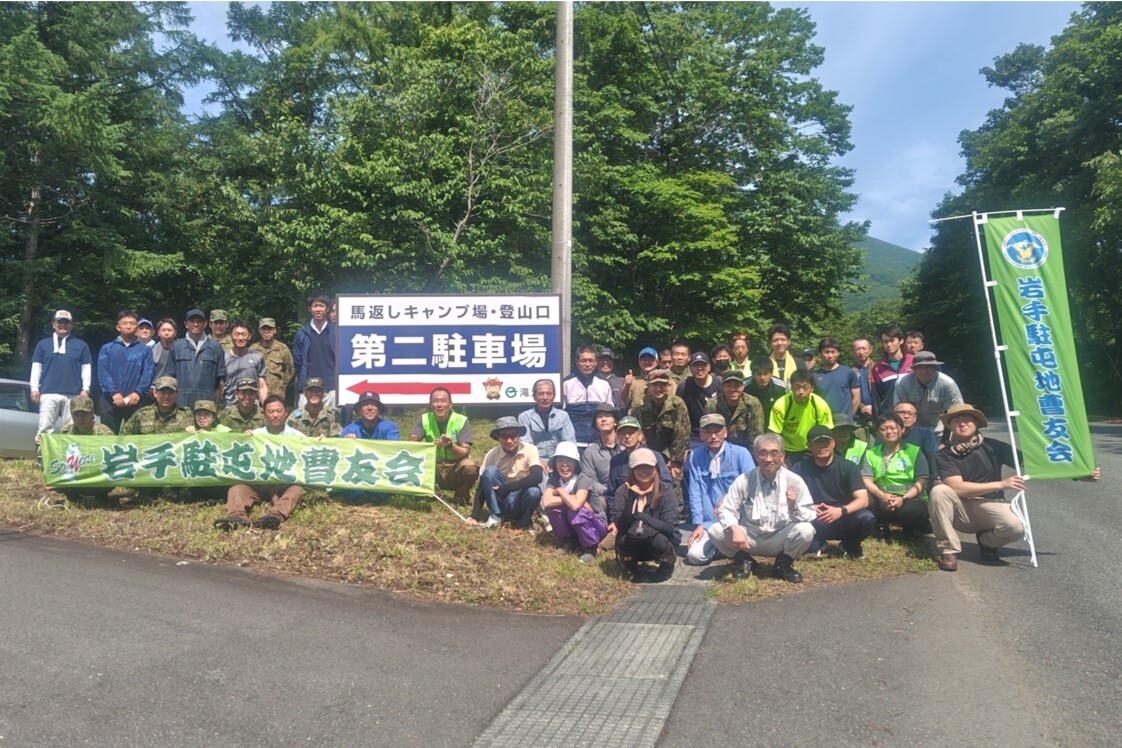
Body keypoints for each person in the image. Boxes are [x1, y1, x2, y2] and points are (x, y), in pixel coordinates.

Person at [929, 404, 1100, 571]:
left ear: (977, 423)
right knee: (939, 491)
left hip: (991, 505)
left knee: (1016, 528)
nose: (963, 423)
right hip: (961, 509)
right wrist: (1002, 484)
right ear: (949, 426)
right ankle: (948, 551)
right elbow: (957, 488)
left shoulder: (993, 446)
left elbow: (1035, 465)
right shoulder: (944, 454)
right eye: (956, 420)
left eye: (967, 419)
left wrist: (1080, 474)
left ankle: (987, 542)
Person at [695, 433, 816, 582]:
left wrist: (794, 506)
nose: (768, 459)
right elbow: (725, 509)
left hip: (779, 536)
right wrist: (735, 529)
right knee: (715, 530)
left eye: (774, 453)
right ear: (755, 455)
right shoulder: (744, 480)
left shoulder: (794, 480)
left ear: (782, 455)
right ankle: (745, 561)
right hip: (749, 537)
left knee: (806, 530)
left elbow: (811, 514)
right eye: (763, 453)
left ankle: (783, 565)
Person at [215, 398, 304, 532]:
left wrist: (319, 441)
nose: (275, 415)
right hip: (258, 483)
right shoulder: (255, 434)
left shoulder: (298, 436)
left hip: (282, 484)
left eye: (279, 411)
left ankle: (274, 516)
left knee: (296, 490)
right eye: (271, 411)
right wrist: (244, 440)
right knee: (236, 489)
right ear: (264, 414)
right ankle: (237, 517)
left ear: (286, 413)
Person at [682, 414, 756, 566]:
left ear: (725, 433)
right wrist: (698, 523)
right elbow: (694, 491)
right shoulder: (694, 456)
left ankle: (729, 548)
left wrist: (728, 495)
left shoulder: (741, 454)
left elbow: (752, 487)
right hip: (709, 523)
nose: (713, 436)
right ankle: (721, 548)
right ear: (701, 435)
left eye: (718, 431)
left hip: (738, 521)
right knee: (694, 556)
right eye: (708, 432)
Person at [793, 425, 875, 559]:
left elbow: (863, 499)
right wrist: (808, 508)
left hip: (844, 517)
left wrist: (840, 511)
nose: (822, 446)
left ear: (833, 443)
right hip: (814, 518)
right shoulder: (799, 468)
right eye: (817, 442)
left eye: (826, 442)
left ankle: (850, 544)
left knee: (867, 518)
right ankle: (818, 544)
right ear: (808, 446)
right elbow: (788, 499)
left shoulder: (849, 467)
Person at [609, 448, 680, 579]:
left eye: (648, 467)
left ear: (655, 468)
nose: (644, 471)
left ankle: (667, 565)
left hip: (658, 541)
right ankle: (630, 566)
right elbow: (621, 526)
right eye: (638, 467)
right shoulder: (622, 491)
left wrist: (641, 516)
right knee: (624, 540)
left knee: (659, 542)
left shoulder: (666, 491)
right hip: (633, 539)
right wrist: (631, 499)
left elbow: (669, 527)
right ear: (632, 470)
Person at [864, 413, 931, 542]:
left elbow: (922, 480)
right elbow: (866, 480)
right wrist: (882, 495)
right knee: (864, 496)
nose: (889, 432)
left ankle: (911, 528)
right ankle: (881, 526)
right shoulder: (871, 454)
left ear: (902, 429)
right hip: (883, 500)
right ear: (878, 433)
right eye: (883, 429)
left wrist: (903, 498)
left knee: (912, 511)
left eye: (893, 428)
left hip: (909, 499)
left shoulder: (915, 452)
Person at [469, 416, 543, 530]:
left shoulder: (530, 449)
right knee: (489, 471)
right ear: (498, 437)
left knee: (534, 491)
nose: (509, 441)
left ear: (518, 435)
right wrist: (474, 515)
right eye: (504, 436)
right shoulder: (492, 454)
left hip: (521, 498)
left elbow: (537, 477)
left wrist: (508, 488)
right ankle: (496, 516)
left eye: (513, 435)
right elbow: (482, 486)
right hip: (501, 500)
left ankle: (525, 522)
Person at [31, 309, 91, 444]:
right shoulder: (43, 344)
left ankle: (70, 460)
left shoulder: (81, 345)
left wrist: (85, 388)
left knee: (71, 428)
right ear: (53, 324)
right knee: (45, 427)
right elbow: (37, 367)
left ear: (71, 325)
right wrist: (34, 387)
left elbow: (86, 368)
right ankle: (42, 458)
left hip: (73, 394)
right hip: (48, 392)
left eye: (66, 322)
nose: (63, 325)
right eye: (60, 322)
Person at [409, 387, 478, 503]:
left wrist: (450, 445)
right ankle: (431, 491)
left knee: (470, 465)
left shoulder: (461, 420)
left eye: (443, 401)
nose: (439, 405)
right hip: (433, 465)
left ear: (450, 404)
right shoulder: (424, 419)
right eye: (435, 401)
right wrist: (422, 443)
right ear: (430, 404)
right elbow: (412, 445)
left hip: (455, 467)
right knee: (412, 459)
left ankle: (461, 497)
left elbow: (465, 453)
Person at [542, 441, 608, 562]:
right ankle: (569, 541)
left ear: (576, 464)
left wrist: (561, 491)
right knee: (553, 509)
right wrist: (571, 498)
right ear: (555, 463)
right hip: (573, 523)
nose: (565, 464)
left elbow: (576, 506)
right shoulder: (554, 479)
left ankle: (590, 548)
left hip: (595, 525)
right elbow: (546, 502)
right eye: (560, 460)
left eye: (569, 460)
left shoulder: (583, 478)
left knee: (576, 511)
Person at [97, 310, 154, 433]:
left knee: (135, 437)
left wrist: (138, 393)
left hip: (136, 400)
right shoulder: (107, 348)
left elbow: (148, 373)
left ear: (137, 327)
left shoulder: (145, 350)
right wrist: (113, 393)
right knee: (108, 436)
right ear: (118, 327)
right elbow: (103, 373)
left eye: (132, 323)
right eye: (125, 323)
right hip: (110, 400)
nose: (128, 326)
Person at [606, 416, 674, 520]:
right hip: (625, 514)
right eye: (623, 433)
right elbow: (611, 493)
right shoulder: (616, 461)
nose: (627, 436)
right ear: (618, 437)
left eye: (631, 432)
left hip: (653, 512)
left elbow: (666, 485)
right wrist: (615, 519)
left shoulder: (654, 456)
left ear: (640, 436)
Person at [630, 369, 690, 478]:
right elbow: (638, 434)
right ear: (648, 386)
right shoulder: (640, 407)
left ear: (668, 386)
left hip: (671, 453)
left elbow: (682, 433)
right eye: (655, 385)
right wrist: (646, 458)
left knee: (675, 481)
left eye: (662, 385)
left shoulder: (677, 404)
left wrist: (675, 460)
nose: (659, 388)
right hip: (647, 452)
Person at [57, 395, 114, 505]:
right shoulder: (65, 432)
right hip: (74, 473)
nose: (79, 418)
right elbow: (57, 455)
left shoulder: (104, 433)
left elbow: (112, 458)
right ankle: (73, 496)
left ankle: (101, 495)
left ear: (92, 413)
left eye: (84, 414)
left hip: (98, 474)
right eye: (76, 414)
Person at [891, 350, 963, 436]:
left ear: (935, 368)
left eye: (929, 366)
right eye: (920, 367)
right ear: (913, 369)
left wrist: (947, 440)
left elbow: (956, 412)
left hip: (941, 431)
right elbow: (900, 412)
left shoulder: (947, 384)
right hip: (911, 431)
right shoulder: (902, 383)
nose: (924, 371)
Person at [767, 369, 833, 464]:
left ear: (812, 388)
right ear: (791, 388)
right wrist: (779, 457)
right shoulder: (781, 405)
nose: (801, 392)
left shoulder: (820, 405)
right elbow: (774, 434)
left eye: (805, 388)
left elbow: (826, 434)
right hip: (787, 450)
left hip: (812, 449)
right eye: (797, 387)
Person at [167, 308, 226, 410]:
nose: (195, 324)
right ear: (186, 324)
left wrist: (216, 406)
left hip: (207, 406)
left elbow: (219, 383)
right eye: (192, 321)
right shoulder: (176, 347)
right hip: (181, 405)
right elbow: (169, 378)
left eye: (199, 321)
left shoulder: (215, 347)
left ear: (205, 324)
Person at [562, 345, 614, 449]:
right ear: (577, 362)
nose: (587, 364)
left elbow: (610, 414)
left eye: (591, 360)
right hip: (573, 442)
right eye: (583, 360)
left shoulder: (604, 383)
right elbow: (561, 415)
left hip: (599, 442)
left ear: (596, 362)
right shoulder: (566, 383)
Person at [518, 379, 574, 471]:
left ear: (554, 396)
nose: (545, 397)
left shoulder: (563, 415)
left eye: (549, 393)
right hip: (534, 461)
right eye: (541, 394)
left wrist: (557, 462)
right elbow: (526, 445)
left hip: (559, 460)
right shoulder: (524, 417)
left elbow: (569, 442)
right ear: (534, 397)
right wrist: (537, 461)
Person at [579, 402, 624, 514]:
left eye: (608, 416)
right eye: (599, 417)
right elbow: (590, 479)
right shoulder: (591, 451)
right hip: (604, 495)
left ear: (615, 422)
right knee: (597, 500)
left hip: (628, 492)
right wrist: (609, 491)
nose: (603, 419)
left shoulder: (626, 446)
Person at [293, 293, 337, 408]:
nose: (318, 309)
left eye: (321, 306)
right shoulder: (301, 334)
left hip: (332, 387)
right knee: (303, 423)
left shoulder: (337, 333)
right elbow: (297, 362)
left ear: (327, 309)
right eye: (315, 306)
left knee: (334, 423)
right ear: (309, 309)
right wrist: (302, 383)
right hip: (307, 389)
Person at [705, 370, 764, 450]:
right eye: (728, 386)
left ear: (743, 387)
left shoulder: (753, 404)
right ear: (723, 388)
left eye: (736, 386)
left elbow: (756, 436)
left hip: (746, 450)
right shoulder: (712, 404)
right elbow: (710, 433)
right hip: (720, 448)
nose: (732, 389)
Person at [119, 376, 194, 435]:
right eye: (162, 392)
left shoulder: (187, 416)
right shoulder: (142, 415)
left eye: (170, 392)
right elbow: (125, 438)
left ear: (177, 394)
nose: (166, 396)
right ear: (155, 393)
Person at [676, 352, 720, 449]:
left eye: (703, 365)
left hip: (717, 432)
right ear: (690, 368)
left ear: (709, 367)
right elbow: (679, 418)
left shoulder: (719, 383)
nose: (699, 368)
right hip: (694, 436)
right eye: (695, 365)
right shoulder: (683, 386)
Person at [220, 320, 268, 408]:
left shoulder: (257, 358)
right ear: (230, 336)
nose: (240, 338)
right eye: (237, 334)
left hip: (252, 407)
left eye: (243, 334)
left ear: (249, 336)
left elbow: (262, 386)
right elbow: (219, 386)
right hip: (229, 407)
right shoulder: (224, 358)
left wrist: (265, 407)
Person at [870, 325, 913, 418]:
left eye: (892, 340)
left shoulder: (914, 362)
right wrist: (877, 420)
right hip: (890, 417)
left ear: (901, 341)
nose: (889, 345)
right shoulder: (878, 368)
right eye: (885, 342)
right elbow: (876, 398)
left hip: (913, 415)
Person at [251, 318, 295, 406]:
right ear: (259, 331)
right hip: (256, 396)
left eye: (269, 329)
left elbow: (290, 371)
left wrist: (280, 385)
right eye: (264, 329)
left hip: (277, 396)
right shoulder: (253, 349)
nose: (266, 331)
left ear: (274, 330)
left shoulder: (283, 349)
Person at [893, 401, 940, 484]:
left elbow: (932, 456)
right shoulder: (885, 434)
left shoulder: (925, 433)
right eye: (902, 413)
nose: (906, 416)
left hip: (920, 478)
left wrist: (936, 478)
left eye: (910, 413)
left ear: (915, 418)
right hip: (892, 477)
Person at [813, 337, 860, 418]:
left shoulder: (848, 372)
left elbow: (856, 398)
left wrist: (849, 418)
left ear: (838, 353)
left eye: (833, 352)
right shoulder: (815, 376)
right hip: (824, 420)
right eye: (826, 352)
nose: (830, 355)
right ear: (820, 353)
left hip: (845, 421)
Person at [851, 336, 874, 427]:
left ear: (870, 350)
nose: (861, 352)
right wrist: (863, 408)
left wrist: (874, 408)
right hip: (858, 417)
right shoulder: (849, 372)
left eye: (864, 348)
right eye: (857, 349)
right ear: (853, 351)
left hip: (878, 415)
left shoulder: (878, 369)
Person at [151, 318, 177, 383]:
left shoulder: (180, 349)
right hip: (155, 387)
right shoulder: (152, 350)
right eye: (163, 330)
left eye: (169, 330)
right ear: (158, 333)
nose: (166, 333)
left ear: (175, 333)